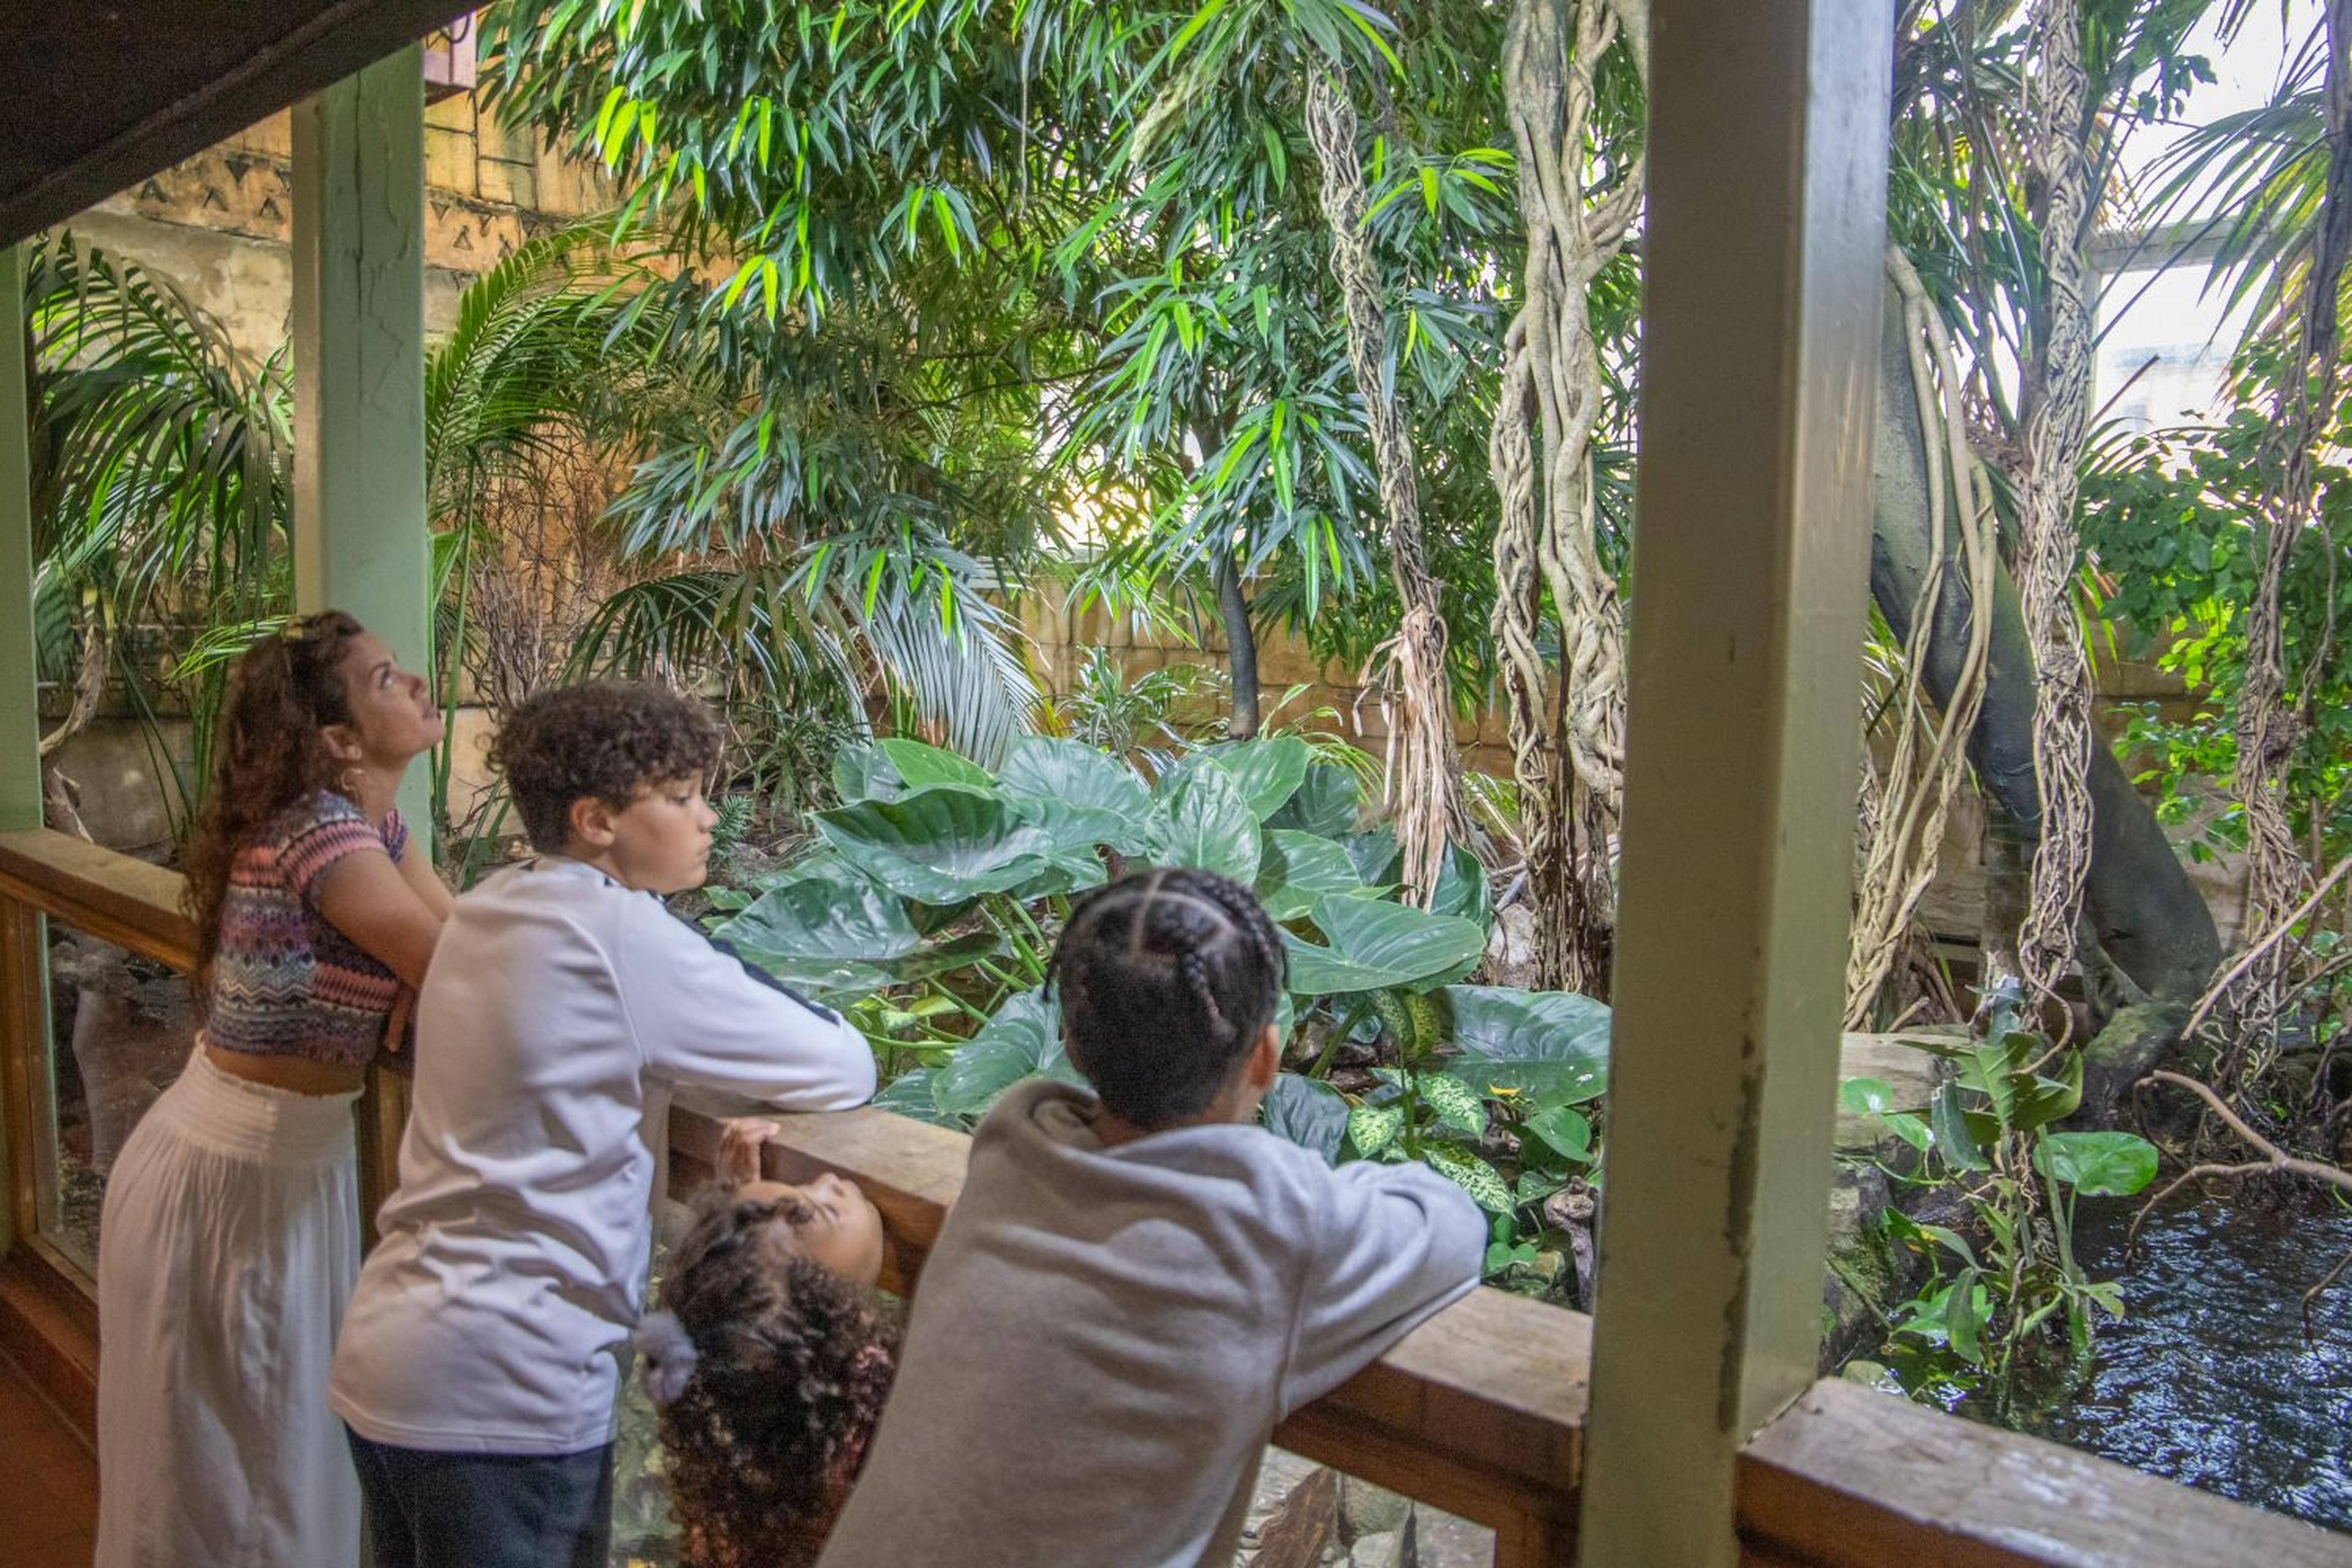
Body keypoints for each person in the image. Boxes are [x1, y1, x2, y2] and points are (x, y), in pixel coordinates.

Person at [329, 680, 878, 1568]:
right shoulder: (616, 933)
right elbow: (844, 1064)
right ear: (595, 820)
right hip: (510, 1391)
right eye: (680, 797)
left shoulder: (489, 905)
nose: (709, 818)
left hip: (394, 1357)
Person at [817, 866, 1487, 1568]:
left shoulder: (1014, 1146)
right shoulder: (1269, 1220)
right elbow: (1453, 1226)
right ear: (1265, 1055)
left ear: (1073, 1044)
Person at [96, 610, 452, 1568]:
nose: (415, 683)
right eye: (385, 680)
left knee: (268, 1475)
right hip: (232, 1183)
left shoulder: (372, 826)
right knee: (240, 1495)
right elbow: (468, 962)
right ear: (337, 740)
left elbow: (455, 944)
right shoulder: (321, 835)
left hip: (285, 1174)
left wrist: (423, 966)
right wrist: (425, 967)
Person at [631, 1120, 896, 1568]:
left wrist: (734, 1201)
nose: (830, 1181)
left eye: (804, 1185)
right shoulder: (878, 1409)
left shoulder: (742, 1421)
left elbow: (735, 1307)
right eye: (824, 1209)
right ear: (824, 1308)